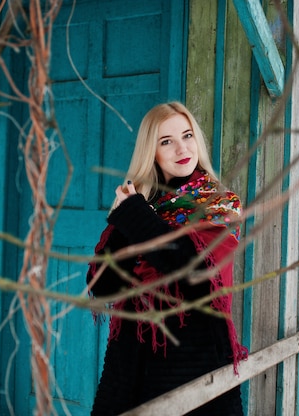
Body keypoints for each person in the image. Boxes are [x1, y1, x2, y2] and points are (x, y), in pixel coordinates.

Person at [86, 102, 248, 415]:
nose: (181, 148)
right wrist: (126, 220)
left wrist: (134, 217)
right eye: (166, 141)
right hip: (131, 370)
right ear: (152, 152)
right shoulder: (142, 208)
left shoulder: (220, 204)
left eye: (187, 136)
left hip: (195, 367)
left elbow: (196, 273)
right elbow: (103, 286)